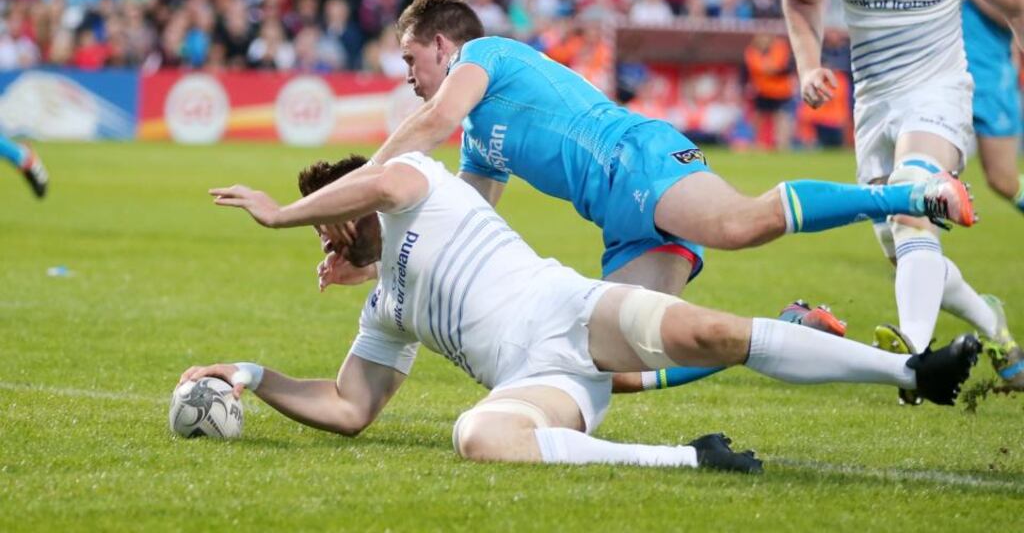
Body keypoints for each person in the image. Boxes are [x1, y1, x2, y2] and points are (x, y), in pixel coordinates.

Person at [317, 0, 976, 393]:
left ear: (440, 45)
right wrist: (371, 267)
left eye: (410, 61)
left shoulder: (482, 55)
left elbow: (431, 122)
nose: (408, 76)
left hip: (636, 160)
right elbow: (456, 231)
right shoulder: (478, 140)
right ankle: (790, 328)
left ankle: (912, 195)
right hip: (621, 217)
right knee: (611, 366)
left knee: (742, 224)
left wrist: (357, 188)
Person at [184, 152, 980, 473]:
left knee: (710, 330)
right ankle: (691, 459)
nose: (322, 237)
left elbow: (376, 185)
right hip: (540, 381)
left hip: (571, 308)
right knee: (478, 436)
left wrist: (279, 212)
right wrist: (253, 375)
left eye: (326, 223)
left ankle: (915, 369)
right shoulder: (385, 309)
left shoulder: (410, 182)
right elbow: (349, 405)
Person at [782, 0, 1024, 398]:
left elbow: (1018, 4)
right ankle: (993, 326)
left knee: (912, 200)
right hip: (874, 111)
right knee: (907, 251)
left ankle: (911, 356)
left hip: (939, 98)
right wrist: (807, 67)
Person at [964, 0, 1024, 215]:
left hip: (988, 75)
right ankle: (918, 247)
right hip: (936, 75)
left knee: (1002, 180)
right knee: (926, 172)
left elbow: (1014, 13)